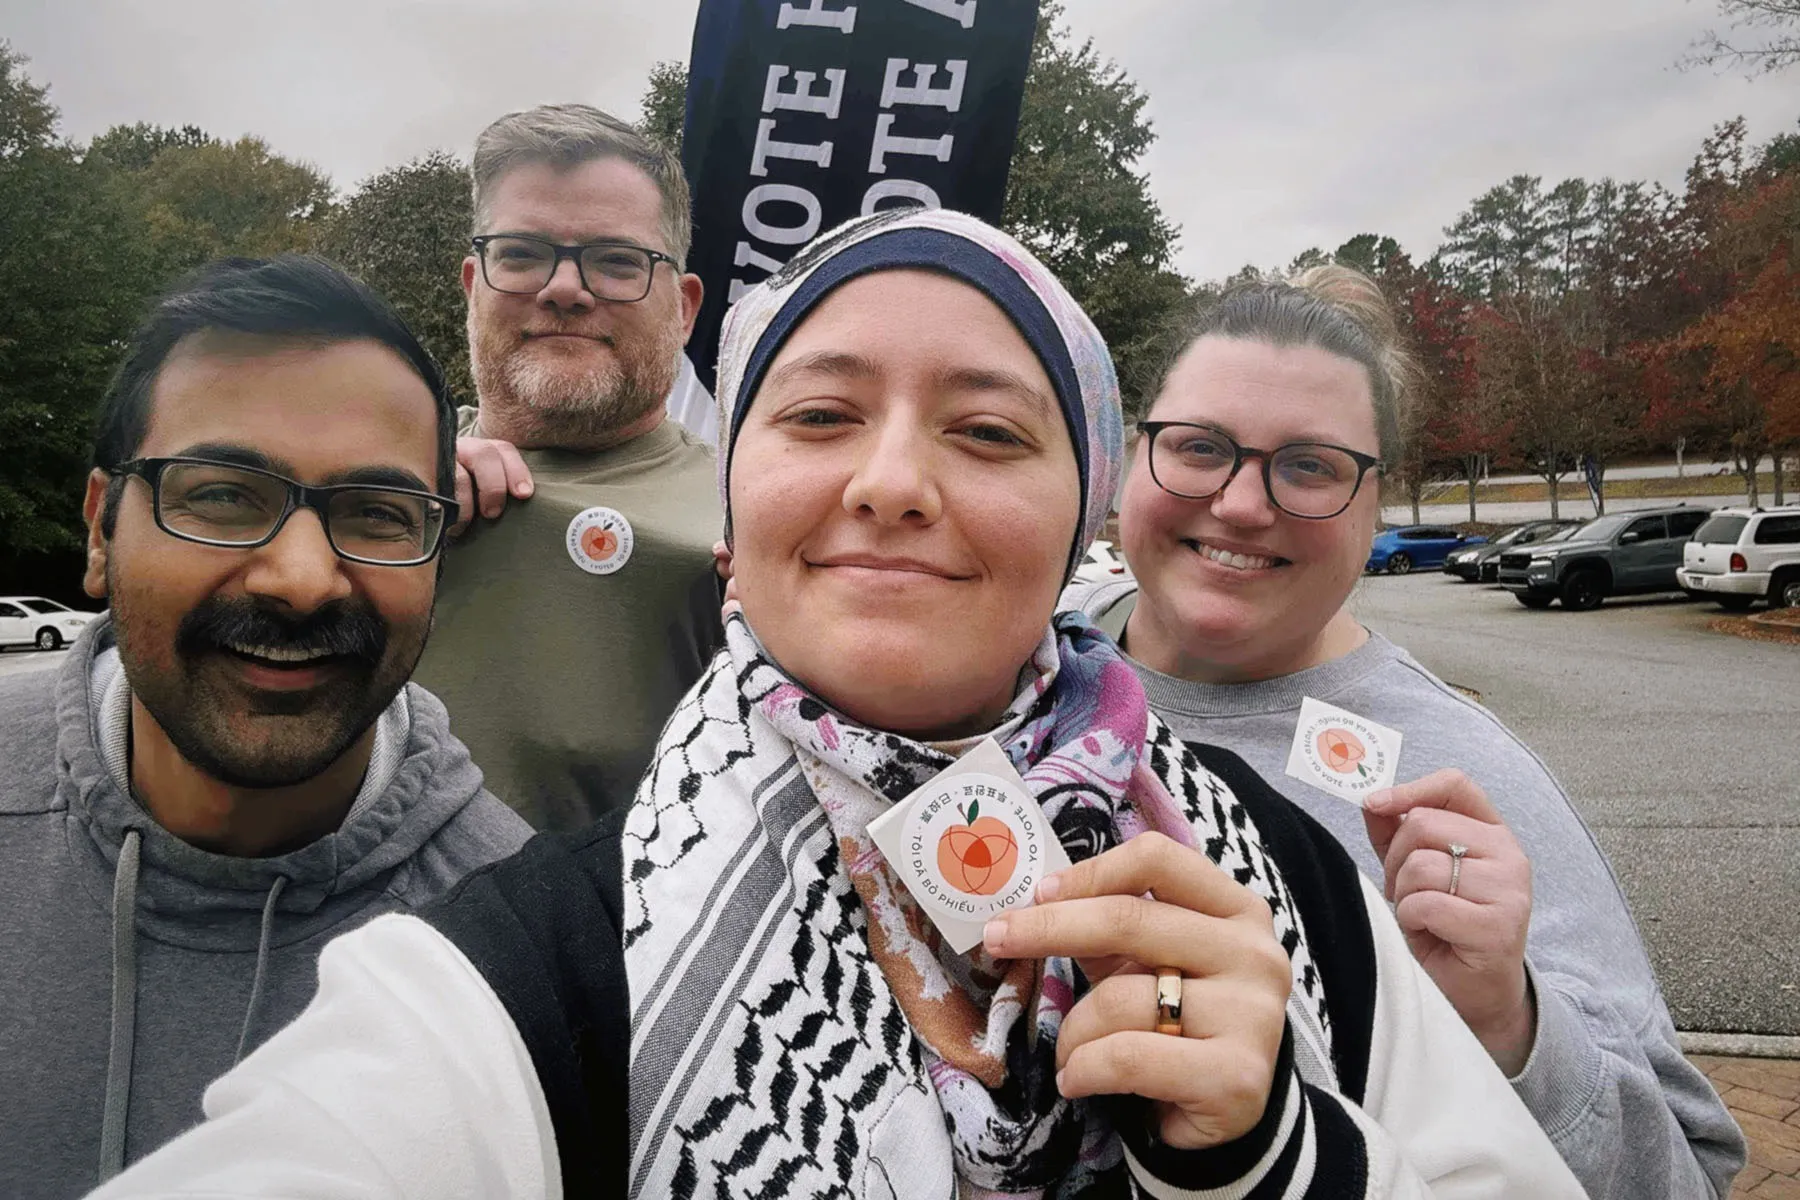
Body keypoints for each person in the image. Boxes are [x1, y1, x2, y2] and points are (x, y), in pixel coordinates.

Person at [88, 210, 1582, 1200]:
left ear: (1080, 525)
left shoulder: (1298, 884)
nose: (890, 481)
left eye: (991, 430)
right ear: (734, 515)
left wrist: (1282, 1160)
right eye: (817, 415)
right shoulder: (522, 977)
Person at [1062, 265, 1746, 1198]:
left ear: (1379, 502)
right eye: (1198, 446)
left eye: (1310, 466)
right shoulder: (1035, 644)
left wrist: (1507, 1022)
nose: (1242, 504)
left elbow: (1683, 1173)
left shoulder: (1453, 776)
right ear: (1133, 454)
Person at [0, 256, 532, 1199]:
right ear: (98, 529)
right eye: (219, 495)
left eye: (376, 514)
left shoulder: (513, 945)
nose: (301, 579)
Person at [410, 103, 724, 832]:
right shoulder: (364, 482)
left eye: (618, 262)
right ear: (472, 284)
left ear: (684, 310)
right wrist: (371, 499)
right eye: (521, 254)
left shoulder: (752, 516)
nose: (563, 287)